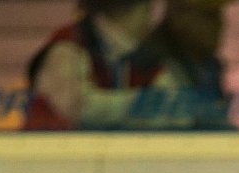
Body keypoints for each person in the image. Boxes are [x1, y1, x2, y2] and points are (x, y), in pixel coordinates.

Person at [24, 0, 158, 130]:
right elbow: (79, 107)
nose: (149, 20)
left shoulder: (143, 55)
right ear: (130, 10)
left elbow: (168, 93)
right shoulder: (69, 45)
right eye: (147, 9)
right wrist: (148, 104)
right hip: (51, 148)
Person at [132, 0, 236, 130]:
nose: (221, 24)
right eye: (210, 16)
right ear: (180, 16)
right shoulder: (150, 66)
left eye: (219, 16)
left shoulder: (209, 65)